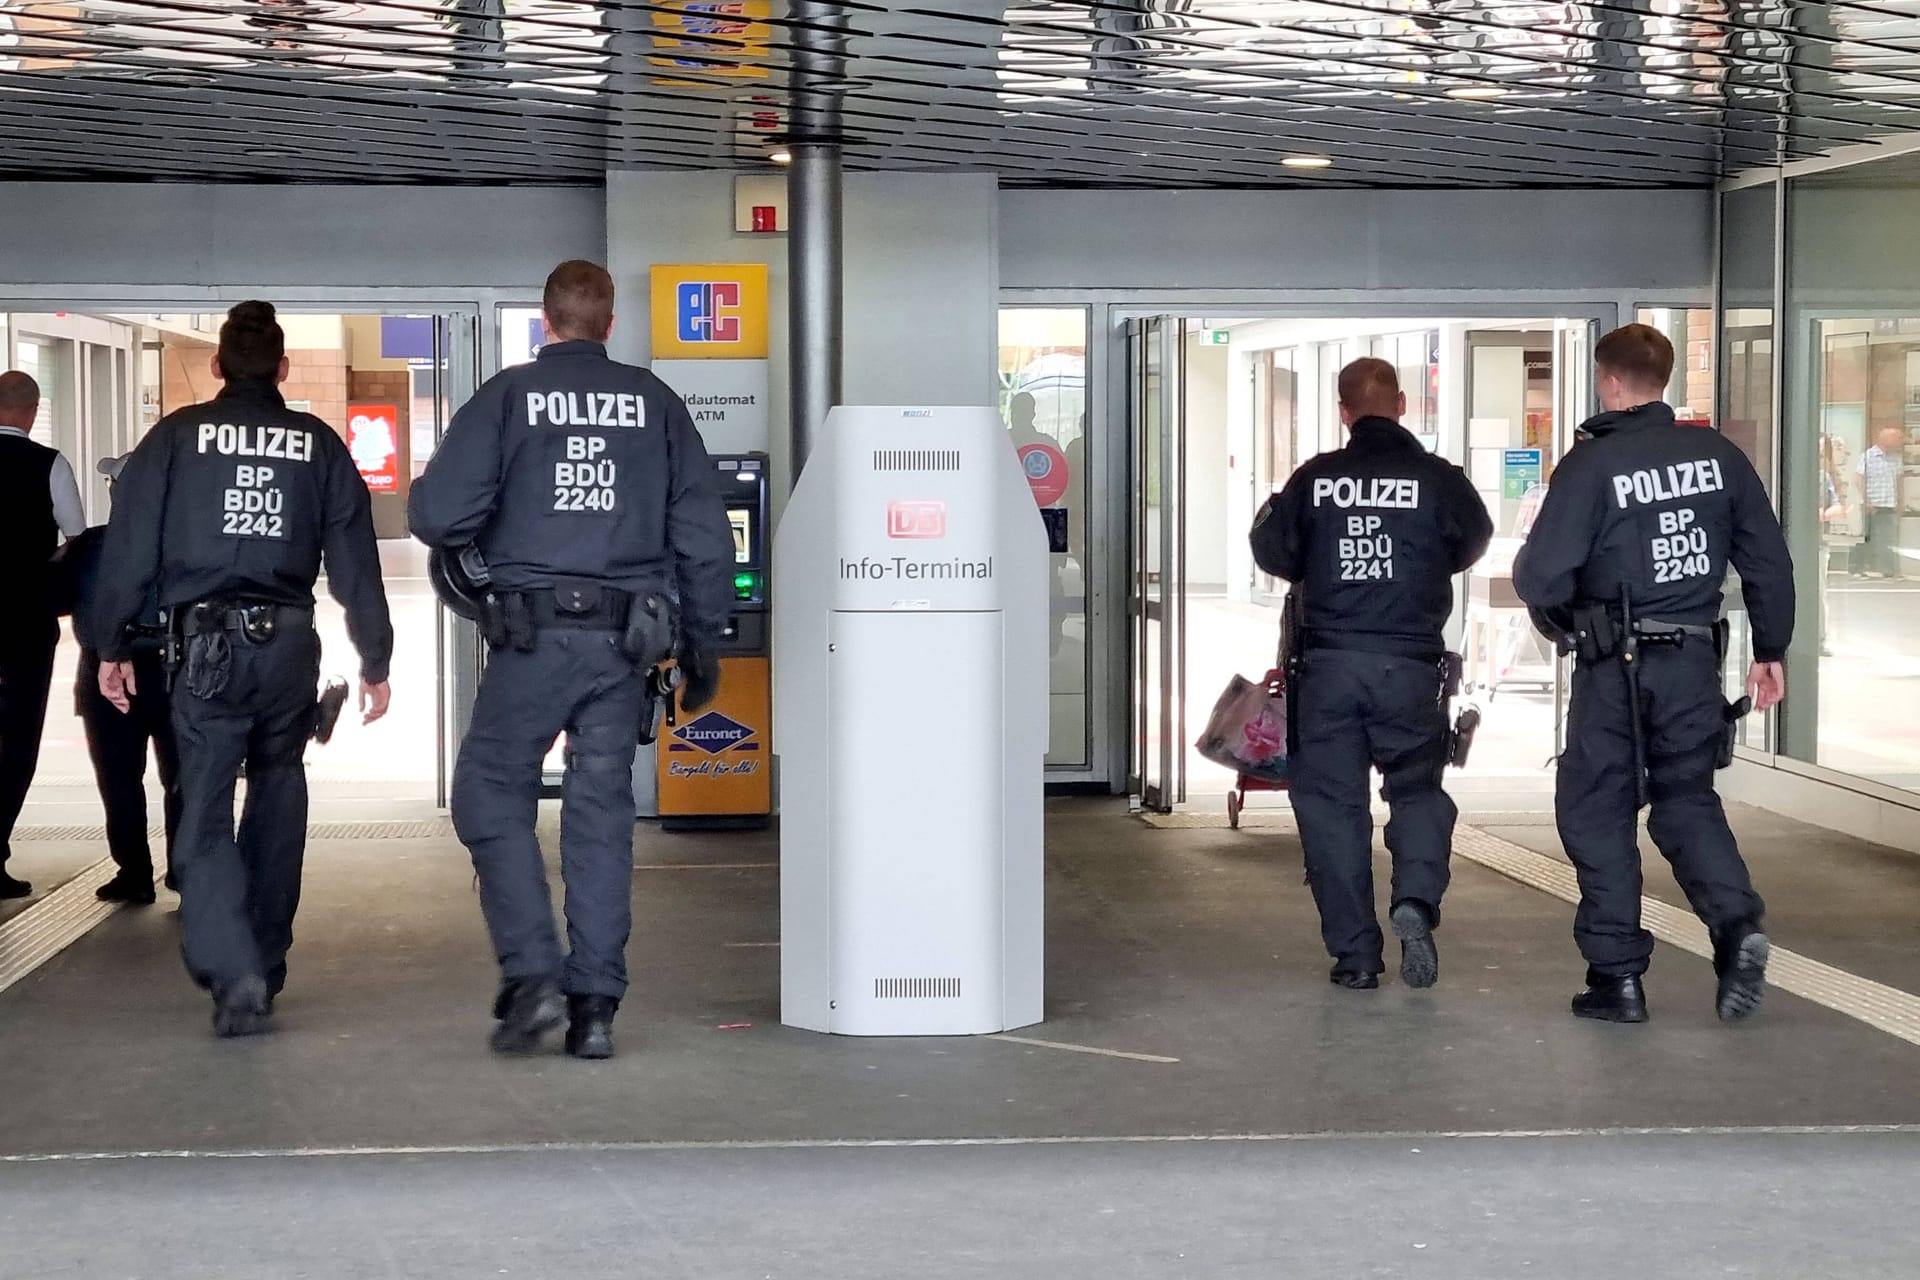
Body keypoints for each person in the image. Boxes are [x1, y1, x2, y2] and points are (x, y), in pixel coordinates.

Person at [409, 260, 733, 1060]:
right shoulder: (655, 402)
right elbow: (700, 529)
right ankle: (594, 1006)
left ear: (544, 321)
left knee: (488, 791)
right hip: (626, 644)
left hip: (531, 636)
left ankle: (533, 973)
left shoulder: (509, 397)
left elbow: (438, 513)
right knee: (600, 813)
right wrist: (704, 642)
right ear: (611, 324)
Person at [88, 301, 393, 1037]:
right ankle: (267, 958)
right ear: (283, 369)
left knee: (206, 808)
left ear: (218, 366)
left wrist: (109, 645)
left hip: (206, 653)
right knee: (280, 798)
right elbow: (355, 559)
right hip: (288, 647)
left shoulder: (174, 439)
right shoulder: (317, 444)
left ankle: (234, 973)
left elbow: (130, 551)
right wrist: (375, 659)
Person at [1513, 324, 1793, 1025]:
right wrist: (1771, 650)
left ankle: (1618, 979)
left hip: (1614, 668)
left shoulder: (1593, 465)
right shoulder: (1720, 457)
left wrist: (1568, 617)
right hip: (1694, 662)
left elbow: (1540, 573)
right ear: (1663, 379)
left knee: (1599, 809)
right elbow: (1767, 560)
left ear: (1609, 381)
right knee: (1686, 800)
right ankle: (1736, 928)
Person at [1249, 357, 1492, 990]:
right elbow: (1474, 540)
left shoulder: (1316, 479)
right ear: (1403, 405)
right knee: (1416, 791)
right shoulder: (1439, 480)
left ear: (1343, 410)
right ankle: (1414, 899)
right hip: (1411, 668)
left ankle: (1356, 956)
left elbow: (1274, 550)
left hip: (1327, 670)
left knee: (1332, 809)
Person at [57, 456, 182, 905]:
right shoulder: (186, 545)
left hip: (106, 667)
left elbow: (57, 595)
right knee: (182, 775)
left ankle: (135, 872)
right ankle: (184, 870)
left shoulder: (91, 545)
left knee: (118, 777)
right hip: (175, 665)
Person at [0, 370, 87, 900]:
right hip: (25, 624)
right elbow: (75, 536)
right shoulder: (49, 463)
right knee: (17, 739)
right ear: (32, 411)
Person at [1851, 425, 1905, 580]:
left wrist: (1900, 501)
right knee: (1864, 537)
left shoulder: (1896, 458)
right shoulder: (1868, 456)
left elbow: (1899, 481)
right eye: (1897, 438)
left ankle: (1889, 570)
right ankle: (1856, 568)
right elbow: (1858, 478)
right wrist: (1866, 499)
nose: (1900, 441)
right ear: (1885, 439)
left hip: (1888, 503)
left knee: (1888, 539)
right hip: (1870, 504)